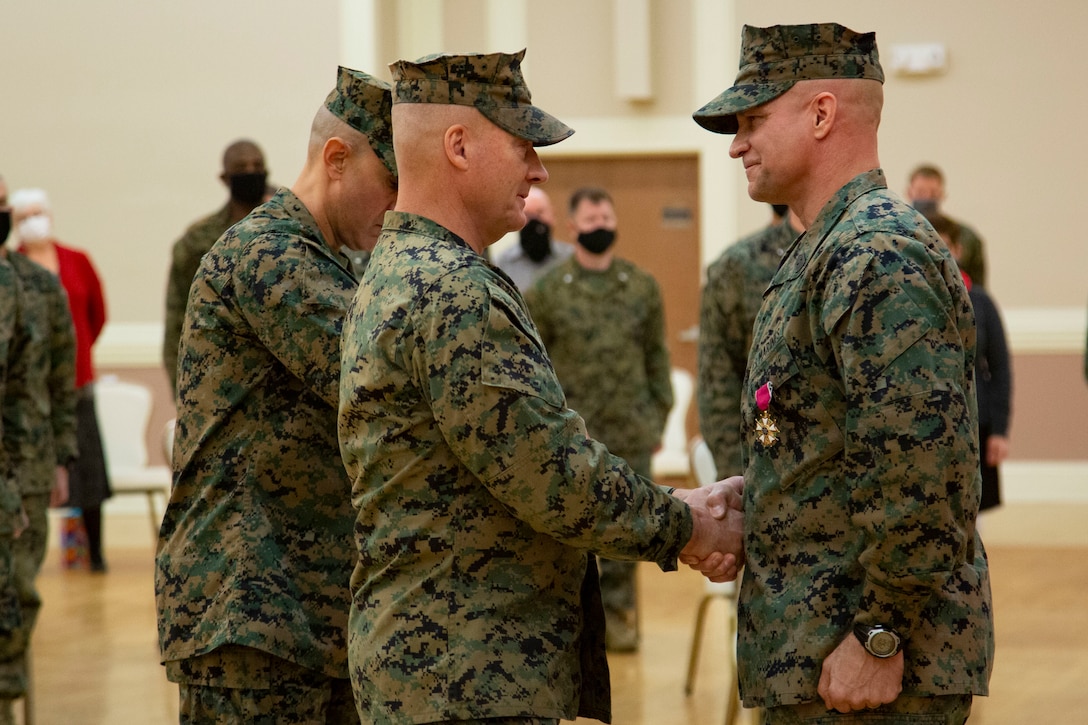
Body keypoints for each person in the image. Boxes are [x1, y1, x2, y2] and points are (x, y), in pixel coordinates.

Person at [338, 49, 744, 725]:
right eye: (522, 144)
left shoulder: (400, 269)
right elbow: (552, 473)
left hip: (443, 661)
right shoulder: (453, 292)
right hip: (463, 672)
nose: (539, 168)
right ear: (459, 146)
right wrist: (686, 522)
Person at [693, 22, 994, 722]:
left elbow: (921, 466)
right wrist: (759, 492)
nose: (738, 142)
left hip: (866, 669)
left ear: (823, 113)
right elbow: (832, 436)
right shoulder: (826, 247)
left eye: (755, 119)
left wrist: (879, 634)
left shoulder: (876, 253)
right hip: (818, 655)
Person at [154, 66, 397, 723]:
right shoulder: (271, 257)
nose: (399, 207)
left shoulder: (326, 259)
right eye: (393, 184)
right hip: (254, 612)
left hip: (308, 606)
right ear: (337, 159)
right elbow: (389, 382)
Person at [523, 185, 673, 652]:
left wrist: (656, 420)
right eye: (591, 222)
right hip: (574, 432)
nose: (600, 228)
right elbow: (534, 369)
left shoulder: (641, 286)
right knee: (571, 528)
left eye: (606, 219)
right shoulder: (546, 293)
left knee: (629, 529)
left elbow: (656, 358)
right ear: (573, 228)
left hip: (631, 425)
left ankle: (620, 617)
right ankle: (573, 624)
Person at [0, 176, 78, 723]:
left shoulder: (37, 286)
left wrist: (60, 457)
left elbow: (60, 377)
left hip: (25, 467)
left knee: (16, 595)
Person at [10, 188, 111, 573]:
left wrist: (77, 353)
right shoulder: (13, 268)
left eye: (39, 212)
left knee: (88, 470)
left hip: (77, 380)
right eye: (25, 216)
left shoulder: (76, 260)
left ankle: (95, 553)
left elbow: (97, 314)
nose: (34, 220)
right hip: (28, 389)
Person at [697, 203, 801, 476]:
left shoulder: (872, 250)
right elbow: (718, 383)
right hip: (767, 466)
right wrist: (738, 475)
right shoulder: (738, 266)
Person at [162, 139, 268, 396]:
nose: (251, 173)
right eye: (241, 168)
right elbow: (178, 318)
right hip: (219, 380)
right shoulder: (199, 239)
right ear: (225, 177)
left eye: (257, 166)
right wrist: (183, 392)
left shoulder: (285, 228)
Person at [929, 214, 1011, 515]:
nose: (939, 252)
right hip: (930, 428)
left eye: (946, 245)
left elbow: (1000, 369)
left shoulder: (981, 302)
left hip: (976, 423)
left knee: (975, 513)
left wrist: (1000, 431)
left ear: (958, 251)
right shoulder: (910, 300)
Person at [906, 164, 987, 287]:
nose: (927, 198)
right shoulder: (897, 231)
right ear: (909, 193)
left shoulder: (965, 236)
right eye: (921, 193)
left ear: (942, 195)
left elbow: (978, 290)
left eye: (933, 194)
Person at [494, 186, 574, 291]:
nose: (534, 221)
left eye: (540, 212)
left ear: (552, 215)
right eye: (527, 214)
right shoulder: (502, 263)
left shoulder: (571, 258)